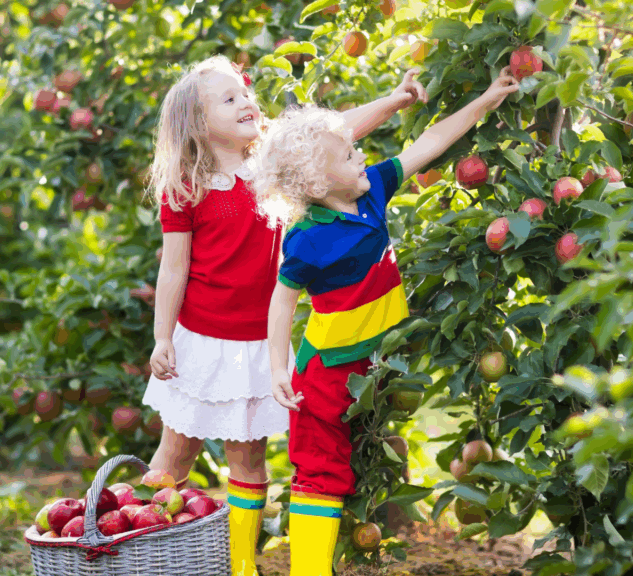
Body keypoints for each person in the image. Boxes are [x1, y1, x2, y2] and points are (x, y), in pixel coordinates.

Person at [140, 55, 427, 576]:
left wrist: (396, 99)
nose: (247, 101)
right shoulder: (187, 183)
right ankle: (139, 548)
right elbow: (173, 270)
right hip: (201, 341)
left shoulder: (270, 159)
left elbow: (338, 132)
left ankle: (241, 567)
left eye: (244, 91)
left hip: (256, 343)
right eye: (228, 99)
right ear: (199, 124)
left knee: (248, 461)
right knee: (175, 453)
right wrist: (163, 339)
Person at [253, 66, 521, 576]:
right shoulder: (307, 239)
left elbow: (432, 141)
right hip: (327, 369)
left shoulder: (372, 188)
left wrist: (487, 98)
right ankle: (309, 570)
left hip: (373, 362)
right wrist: (277, 367)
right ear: (314, 182)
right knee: (318, 471)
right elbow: (281, 302)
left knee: (354, 460)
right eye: (350, 153)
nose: (361, 155)